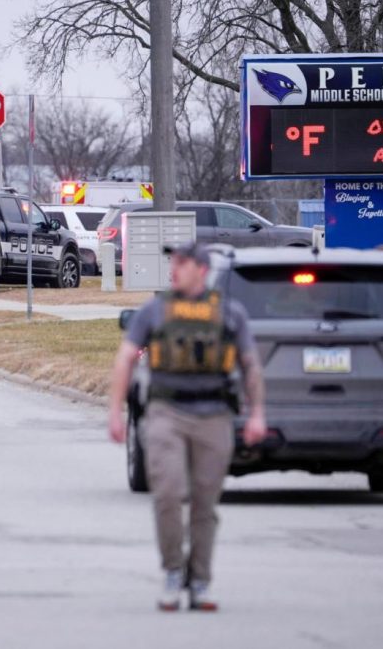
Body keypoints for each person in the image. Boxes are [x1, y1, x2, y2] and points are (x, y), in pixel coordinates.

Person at [107, 241, 267, 612]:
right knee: (167, 494)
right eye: (172, 262)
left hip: (214, 416)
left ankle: (200, 581)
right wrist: (115, 411)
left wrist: (257, 413)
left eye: (181, 263)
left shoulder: (229, 313)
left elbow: (250, 365)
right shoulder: (155, 310)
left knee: (204, 503)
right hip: (166, 412)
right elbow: (126, 358)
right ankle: (172, 572)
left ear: (201, 269)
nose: (173, 269)